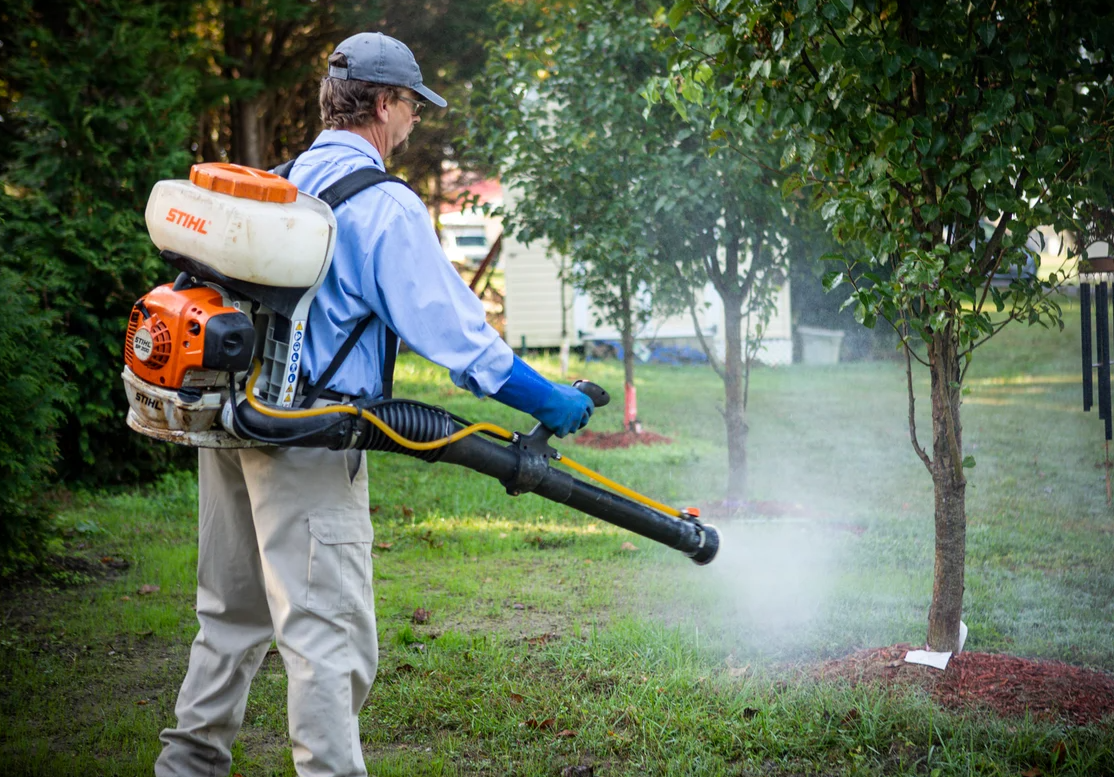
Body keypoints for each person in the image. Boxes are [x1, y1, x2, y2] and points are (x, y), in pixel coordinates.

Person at [155, 31, 594, 777]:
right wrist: (550, 399)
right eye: (413, 106)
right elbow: (463, 344)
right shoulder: (382, 205)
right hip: (311, 445)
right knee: (329, 640)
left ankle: (186, 767)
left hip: (234, 428)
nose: (416, 120)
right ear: (385, 103)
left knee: (229, 620)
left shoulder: (281, 180)